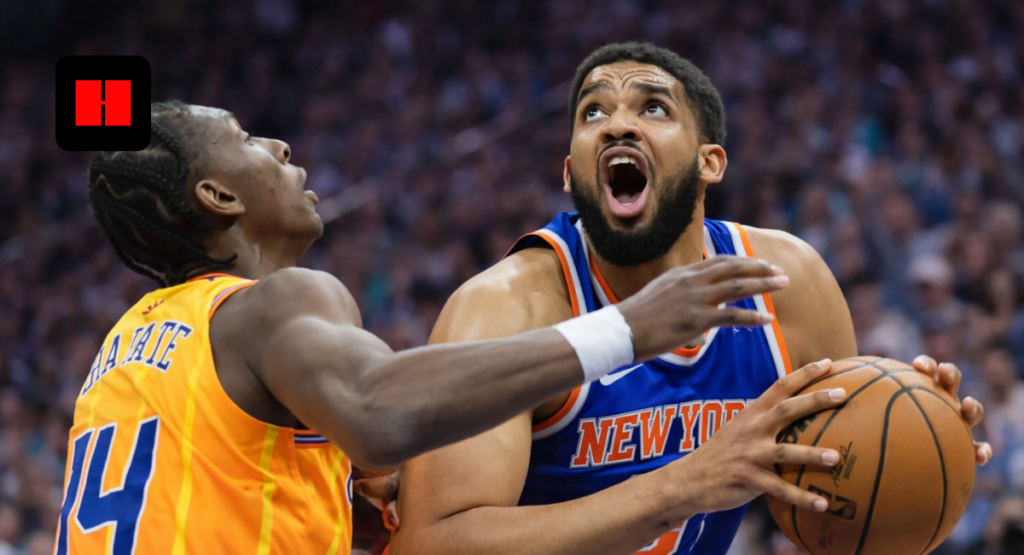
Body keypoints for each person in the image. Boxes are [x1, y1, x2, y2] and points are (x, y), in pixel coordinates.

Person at [54, 101, 788, 554]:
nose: (278, 147)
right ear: (216, 195)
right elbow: (377, 410)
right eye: (246, 138)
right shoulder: (275, 303)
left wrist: (344, 511)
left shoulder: (122, 351)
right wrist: (623, 329)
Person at [381, 43, 992, 555]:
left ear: (711, 163)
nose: (618, 123)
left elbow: (834, 491)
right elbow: (430, 543)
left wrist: (921, 443)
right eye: (593, 112)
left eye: (652, 107)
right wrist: (682, 487)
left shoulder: (790, 282)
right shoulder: (506, 309)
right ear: (570, 173)